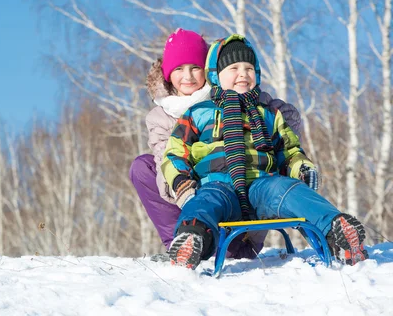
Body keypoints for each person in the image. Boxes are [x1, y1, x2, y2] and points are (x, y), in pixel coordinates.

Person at [161, 33, 369, 269]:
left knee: (288, 190)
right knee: (204, 202)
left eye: (249, 68)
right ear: (215, 76)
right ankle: (193, 238)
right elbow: (175, 154)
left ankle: (336, 230)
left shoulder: (268, 112)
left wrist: (301, 169)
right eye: (234, 68)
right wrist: (180, 181)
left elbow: (290, 150)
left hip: (263, 185)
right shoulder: (198, 113)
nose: (243, 73)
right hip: (217, 184)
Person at [129, 28, 301, 259]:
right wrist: (187, 187)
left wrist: (252, 111)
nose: (187, 76)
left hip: (239, 208)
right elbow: (165, 165)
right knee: (145, 167)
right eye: (179, 69)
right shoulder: (161, 117)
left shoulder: (227, 94)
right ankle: (183, 243)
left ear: (209, 70)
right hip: (194, 199)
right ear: (168, 74)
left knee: (223, 164)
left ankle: (228, 239)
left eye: (195, 68)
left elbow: (287, 117)